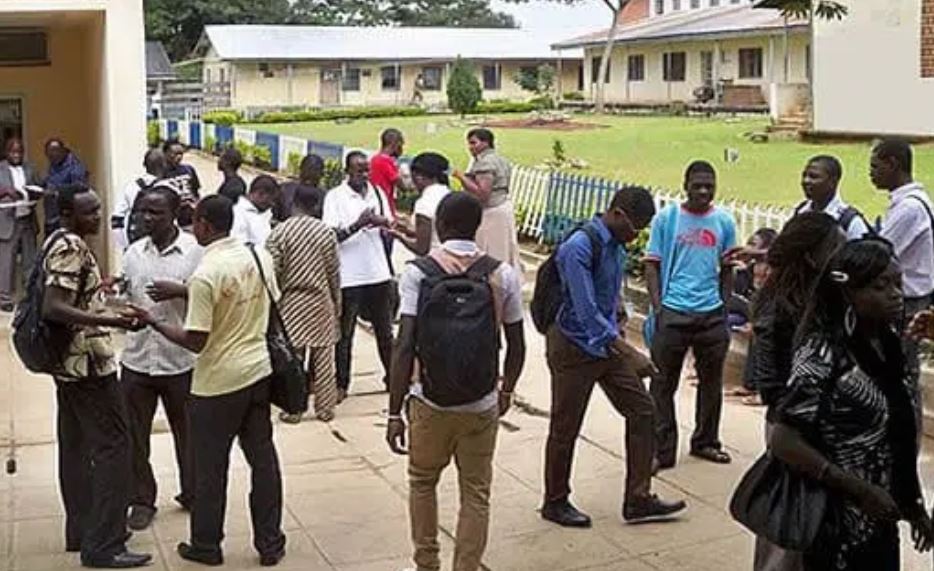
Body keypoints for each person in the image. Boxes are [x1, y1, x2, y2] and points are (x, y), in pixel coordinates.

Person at [132, 195, 287, 567]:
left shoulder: (205, 273)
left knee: (209, 469)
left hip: (217, 383)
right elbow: (268, 308)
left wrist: (152, 319)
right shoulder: (257, 255)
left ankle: (206, 544)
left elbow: (195, 340)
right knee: (263, 462)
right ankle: (270, 543)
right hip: (257, 372)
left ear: (202, 224)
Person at [768, 238, 933, 570]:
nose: (895, 294)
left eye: (898, 283)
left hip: (880, 520)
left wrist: (913, 506)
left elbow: (898, 433)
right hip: (833, 523)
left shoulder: (888, 346)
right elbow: (783, 441)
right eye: (880, 286)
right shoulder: (823, 353)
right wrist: (859, 490)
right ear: (847, 292)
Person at [386, 192, 526, 571]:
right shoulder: (501, 274)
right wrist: (506, 390)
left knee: (422, 482)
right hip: (481, 403)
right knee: (476, 493)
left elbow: (404, 347)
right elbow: (517, 345)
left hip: (429, 402)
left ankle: (426, 563)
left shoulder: (417, 273)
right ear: (477, 226)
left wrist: (394, 412)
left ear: (442, 226)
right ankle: (466, 566)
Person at [542, 186, 687, 528]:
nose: (637, 236)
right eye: (636, 227)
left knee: (642, 410)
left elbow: (608, 296)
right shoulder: (578, 246)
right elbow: (585, 310)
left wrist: (620, 320)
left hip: (606, 344)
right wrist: (630, 352)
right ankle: (555, 501)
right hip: (573, 344)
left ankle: (638, 498)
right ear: (618, 214)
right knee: (565, 427)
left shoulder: (616, 245)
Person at [40, 184, 151, 568]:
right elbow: (55, 307)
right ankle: (105, 542)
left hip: (68, 366)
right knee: (114, 448)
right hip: (87, 366)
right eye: (89, 212)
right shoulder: (70, 245)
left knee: (74, 446)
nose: (98, 217)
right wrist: (108, 320)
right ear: (70, 215)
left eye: (99, 209)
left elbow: (71, 296)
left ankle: (82, 530)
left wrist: (100, 296)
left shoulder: (56, 239)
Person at [745, 212, 846, 571]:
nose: (844, 252)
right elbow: (771, 385)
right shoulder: (781, 306)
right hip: (795, 431)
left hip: (817, 428)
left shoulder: (829, 298)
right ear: (811, 256)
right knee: (788, 533)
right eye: (837, 246)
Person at [645, 160, 738, 469]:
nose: (703, 191)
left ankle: (706, 442)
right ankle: (661, 449)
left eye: (709, 186)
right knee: (661, 384)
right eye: (697, 185)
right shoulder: (667, 219)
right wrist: (659, 308)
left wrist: (723, 307)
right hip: (674, 312)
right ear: (685, 185)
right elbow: (652, 264)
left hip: (711, 316)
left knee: (711, 385)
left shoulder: (724, 222)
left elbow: (727, 268)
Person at [119, 186, 202, 531]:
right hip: (138, 361)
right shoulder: (134, 252)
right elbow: (129, 293)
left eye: (155, 213)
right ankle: (141, 499)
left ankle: (193, 492)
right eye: (143, 212)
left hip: (179, 360)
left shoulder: (195, 253)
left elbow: (212, 297)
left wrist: (181, 290)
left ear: (173, 214)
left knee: (189, 434)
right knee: (134, 436)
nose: (146, 219)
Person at [266, 184, 342, 423]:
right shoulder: (326, 233)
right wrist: (336, 304)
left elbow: (271, 272)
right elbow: (333, 273)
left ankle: (294, 408)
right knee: (324, 359)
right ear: (317, 206)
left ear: (293, 203)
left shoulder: (280, 232)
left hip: (291, 302)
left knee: (293, 360)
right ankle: (325, 408)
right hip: (320, 301)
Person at [322, 151, 394, 400]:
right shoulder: (335, 197)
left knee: (385, 332)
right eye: (359, 170)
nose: (364, 175)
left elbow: (390, 225)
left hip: (378, 272)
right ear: (347, 171)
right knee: (345, 335)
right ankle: (342, 384)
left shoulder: (377, 192)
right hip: (350, 276)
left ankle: (392, 378)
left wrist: (381, 221)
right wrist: (358, 224)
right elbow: (331, 237)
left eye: (367, 170)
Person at [873, 138, 932, 426]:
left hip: (907, 304)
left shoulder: (910, 208)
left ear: (893, 163)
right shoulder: (906, 204)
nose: (871, 173)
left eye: (875, 166)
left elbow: (879, 252)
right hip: (906, 301)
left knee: (902, 380)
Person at [453, 128, 523, 281]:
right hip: (503, 206)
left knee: (493, 249)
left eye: (474, 143)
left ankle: (493, 280)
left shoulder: (486, 163)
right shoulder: (500, 160)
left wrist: (461, 177)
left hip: (492, 211)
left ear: (485, 143)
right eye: (469, 144)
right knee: (504, 247)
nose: (470, 147)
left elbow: (483, 193)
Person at [0, 137, 42, 312]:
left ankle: (30, 295)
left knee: (30, 260)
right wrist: (6, 191)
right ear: (6, 152)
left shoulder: (29, 168)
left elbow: (38, 186)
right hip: (8, 220)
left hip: (27, 218)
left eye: (19, 152)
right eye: (13, 151)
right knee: (6, 261)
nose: (16, 155)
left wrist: (34, 193)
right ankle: (5, 298)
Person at [794, 155, 871, 241]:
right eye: (804, 175)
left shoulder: (850, 222)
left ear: (833, 181)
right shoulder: (800, 212)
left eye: (814, 177)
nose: (805, 181)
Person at [392, 152, 451, 256]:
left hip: (433, 261)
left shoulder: (424, 203)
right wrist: (408, 231)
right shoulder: (448, 194)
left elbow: (421, 249)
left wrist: (399, 236)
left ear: (419, 177)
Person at [111, 149, 167, 250]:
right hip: (161, 246)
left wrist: (125, 245)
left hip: (135, 244)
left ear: (144, 164)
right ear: (165, 165)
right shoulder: (168, 189)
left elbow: (116, 219)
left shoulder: (131, 187)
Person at [43, 138, 89, 234]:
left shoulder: (75, 166)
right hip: (52, 217)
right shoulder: (55, 165)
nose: (51, 157)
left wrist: (57, 190)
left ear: (63, 151)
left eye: (54, 153)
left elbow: (81, 187)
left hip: (68, 218)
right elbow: (52, 181)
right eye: (49, 155)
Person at [161, 139, 201, 228]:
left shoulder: (189, 169)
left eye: (181, 154)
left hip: (190, 216)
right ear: (165, 153)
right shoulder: (161, 173)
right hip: (173, 217)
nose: (179, 157)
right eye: (175, 154)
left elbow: (196, 191)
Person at [231, 174, 279, 247]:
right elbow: (239, 244)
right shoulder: (238, 213)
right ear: (260, 194)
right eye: (272, 200)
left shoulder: (263, 213)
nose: (273, 204)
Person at [277, 153, 325, 221]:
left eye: (315, 170)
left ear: (322, 174)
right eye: (308, 169)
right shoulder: (284, 190)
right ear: (301, 169)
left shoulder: (326, 198)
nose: (311, 173)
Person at [370, 129, 404, 216]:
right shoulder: (386, 161)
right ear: (395, 144)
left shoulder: (374, 159)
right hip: (385, 206)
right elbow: (403, 186)